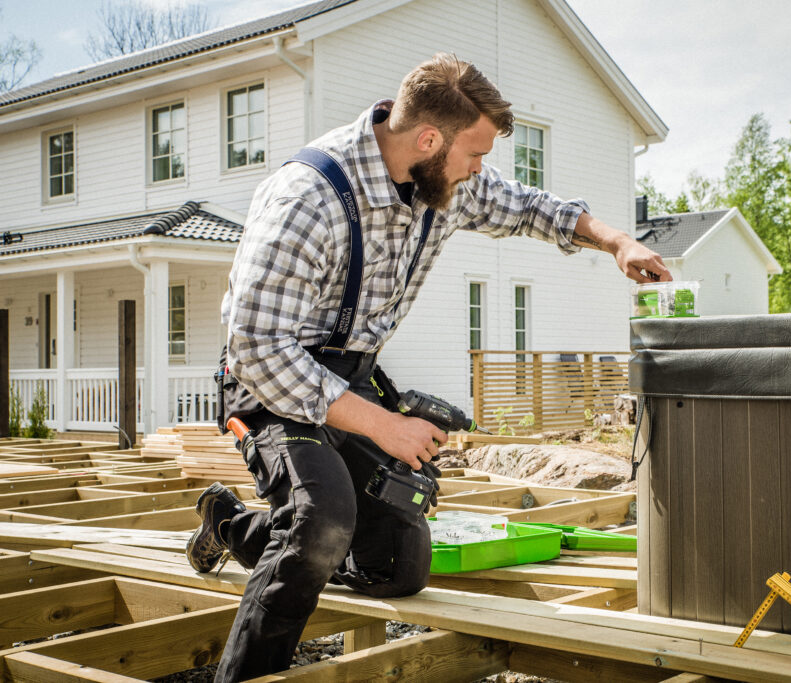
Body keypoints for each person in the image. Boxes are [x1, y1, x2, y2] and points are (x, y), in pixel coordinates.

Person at [185, 52, 671, 682]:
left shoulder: (441, 183)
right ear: (429, 139)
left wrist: (616, 241)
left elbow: (530, 208)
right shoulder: (308, 197)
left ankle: (229, 525)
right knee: (323, 520)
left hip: (351, 377)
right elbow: (257, 347)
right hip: (270, 385)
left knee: (399, 567)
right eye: (475, 154)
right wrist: (385, 427)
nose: (480, 171)